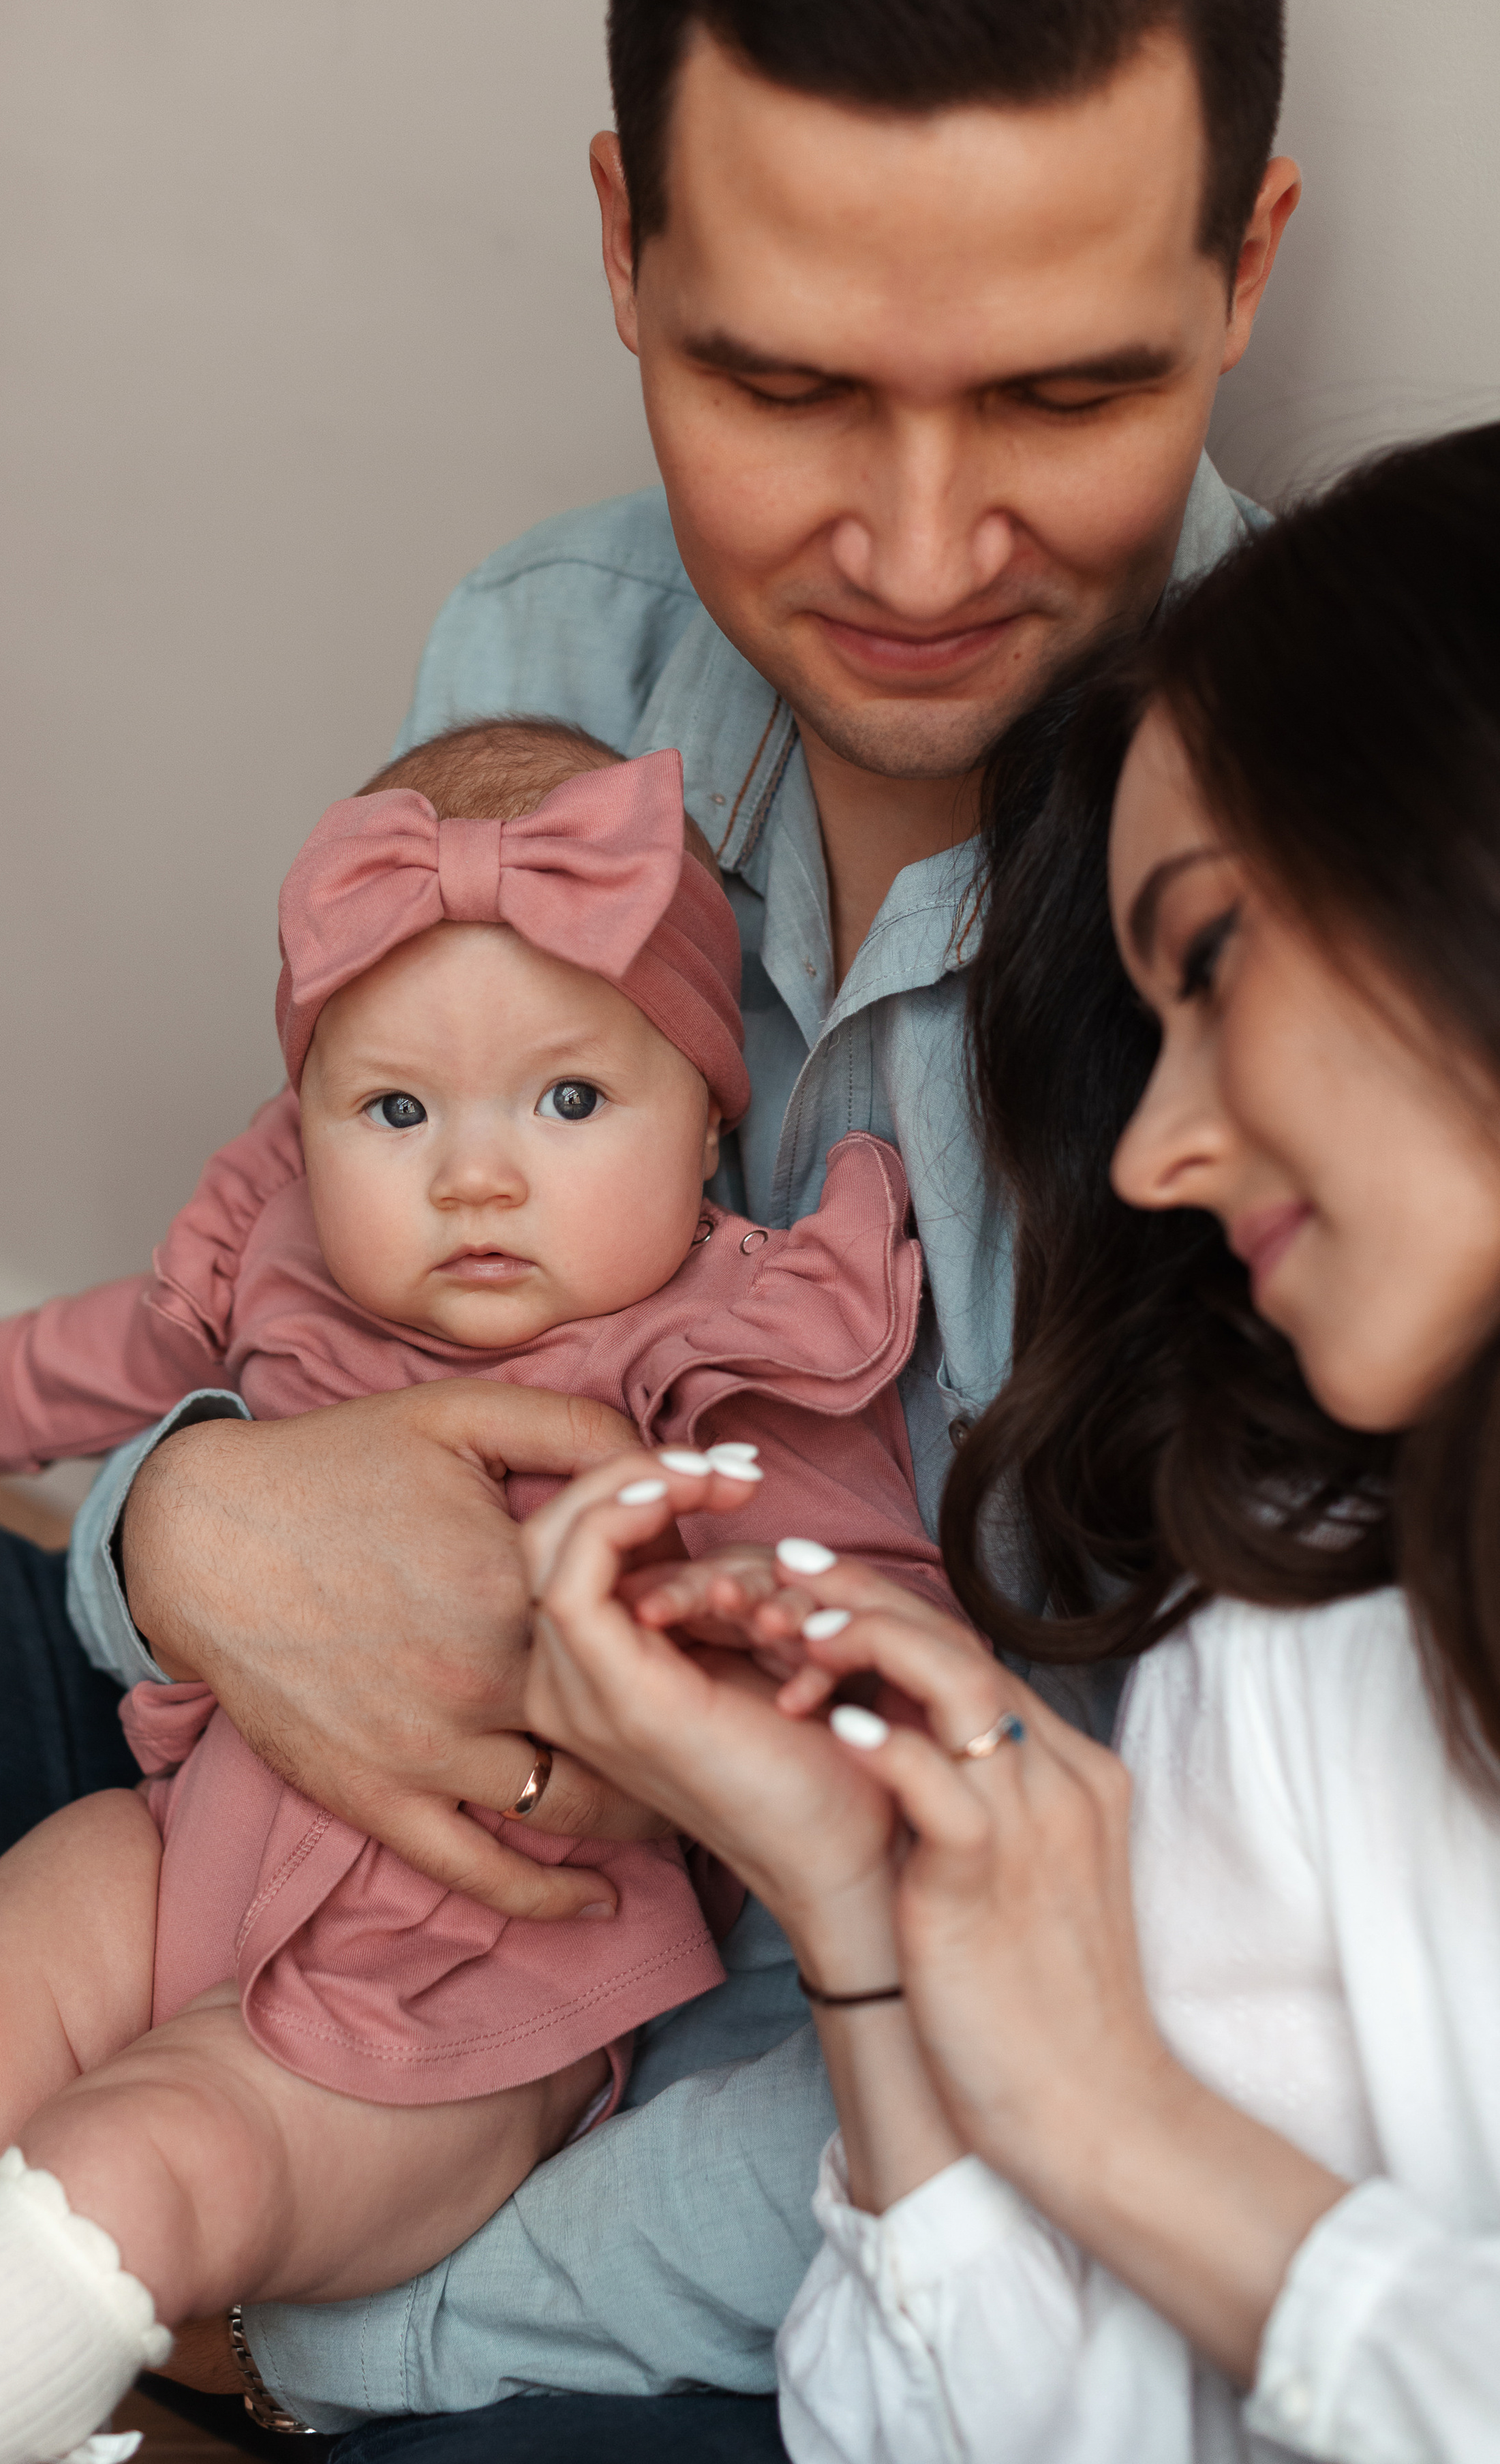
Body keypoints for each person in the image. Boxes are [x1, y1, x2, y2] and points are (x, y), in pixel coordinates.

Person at [0, 0, 1300, 2443]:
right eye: (787, 386)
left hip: (800, 2170)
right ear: (622, 240)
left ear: (1245, 272)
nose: (918, 556)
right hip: (281, 1835)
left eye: (1061, 395)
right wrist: (183, 1528)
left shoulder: (1322, 910)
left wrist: (332, 2307)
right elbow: (280, 1287)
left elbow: (1136, 2021)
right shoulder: (546, 667)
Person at [0, 722, 950, 2463]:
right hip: (196, 1845)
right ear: (308, 1118)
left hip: (469, 1990)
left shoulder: (727, 1355)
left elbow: (851, 1618)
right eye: (396, 1109)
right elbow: (125, 1351)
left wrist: (738, 1655)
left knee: (148, 2145)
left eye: (566, 1101)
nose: (474, 1177)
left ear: (707, 1112)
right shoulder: (291, 1246)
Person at [512, 421, 1500, 2462]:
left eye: (1214, 963)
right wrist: (858, 1913)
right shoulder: (1303, 1609)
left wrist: (1121, 2128)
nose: (1157, 1146)